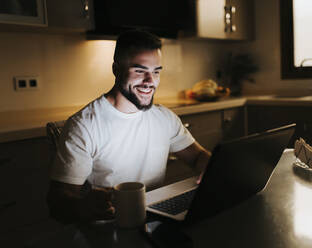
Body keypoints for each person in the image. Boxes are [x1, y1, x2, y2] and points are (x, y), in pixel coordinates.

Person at [47, 29, 211, 223]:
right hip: (108, 228)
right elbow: (57, 203)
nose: (150, 82)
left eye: (156, 72)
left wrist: (210, 168)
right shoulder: (84, 125)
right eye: (140, 71)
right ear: (116, 69)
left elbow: (199, 156)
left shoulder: (164, 118)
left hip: (153, 221)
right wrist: (84, 205)